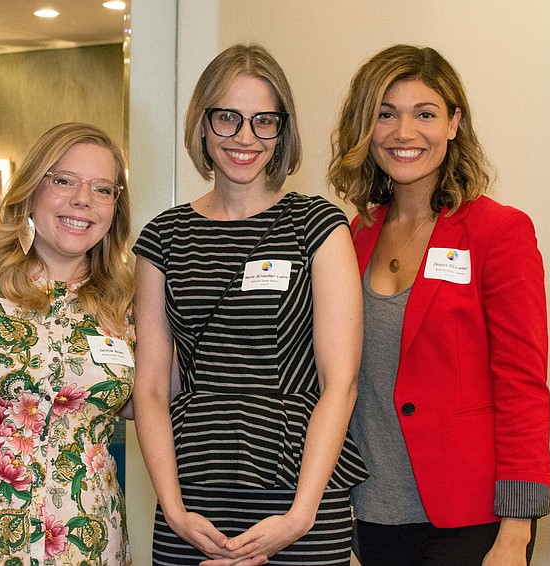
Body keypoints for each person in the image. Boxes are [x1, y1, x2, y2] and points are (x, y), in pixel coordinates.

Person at [132, 43, 367, 566]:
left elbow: (340, 382)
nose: (245, 137)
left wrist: (302, 515)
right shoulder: (162, 237)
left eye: (264, 120)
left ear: (282, 129)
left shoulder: (318, 225)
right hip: (192, 493)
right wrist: (172, 509)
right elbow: (149, 389)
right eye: (228, 118)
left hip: (299, 490)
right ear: (203, 123)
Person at [328, 44, 550, 566]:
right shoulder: (355, 237)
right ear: (367, 128)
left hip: (471, 521)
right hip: (370, 515)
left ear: (453, 122)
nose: (405, 132)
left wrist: (515, 535)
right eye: (386, 114)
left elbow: (522, 383)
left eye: (424, 114)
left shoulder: (498, 231)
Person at [0, 122, 135, 565]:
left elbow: (157, 400)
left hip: (88, 542)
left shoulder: (126, 302)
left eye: (102, 189)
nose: (83, 200)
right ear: (32, 188)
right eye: (63, 181)